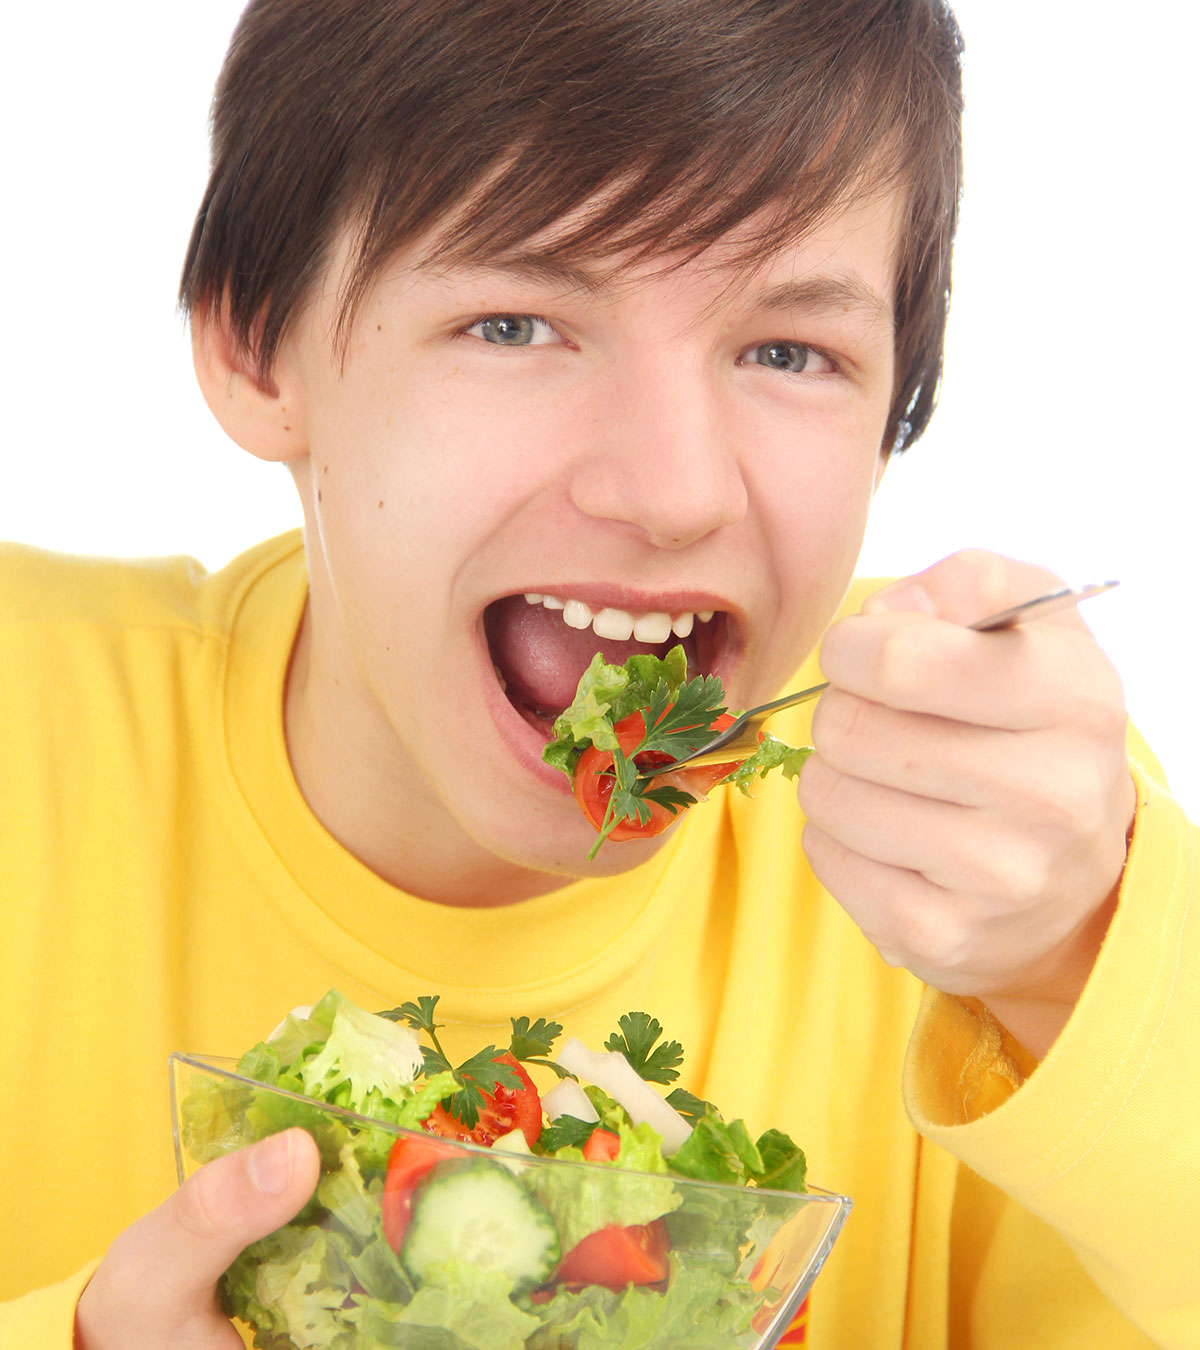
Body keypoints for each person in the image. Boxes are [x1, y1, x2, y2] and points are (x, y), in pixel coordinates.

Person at [1, 1, 1194, 1346]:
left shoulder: (996, 848)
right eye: (516, 323)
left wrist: (1080, 972)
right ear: (254, 343)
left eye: (789, 352)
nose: (673, 492)